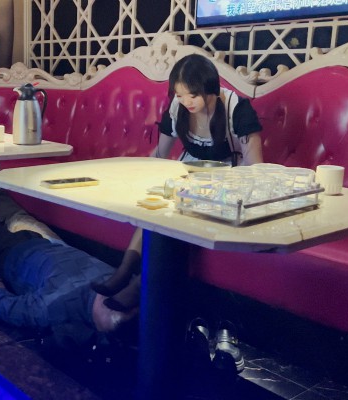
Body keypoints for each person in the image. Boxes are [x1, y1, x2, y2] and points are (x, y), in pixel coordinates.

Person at [93, 54, 264, 312]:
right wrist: (137, 176)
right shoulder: (178, 107)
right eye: (180, 95)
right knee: (158, 203)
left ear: (210, 88)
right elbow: (160, 154)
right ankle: (125, 270)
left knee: (178, 208)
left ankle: (141, 284)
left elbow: (255, 167)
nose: (186, 102)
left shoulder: (236, 108)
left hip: (228, 178)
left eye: (192, 95)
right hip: (188, 173)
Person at [0, 189, 137, 347]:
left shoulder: (54, 307)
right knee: (19, 219)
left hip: (13, 255)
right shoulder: (125, 285)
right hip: (53, 246)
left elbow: (5, 308)